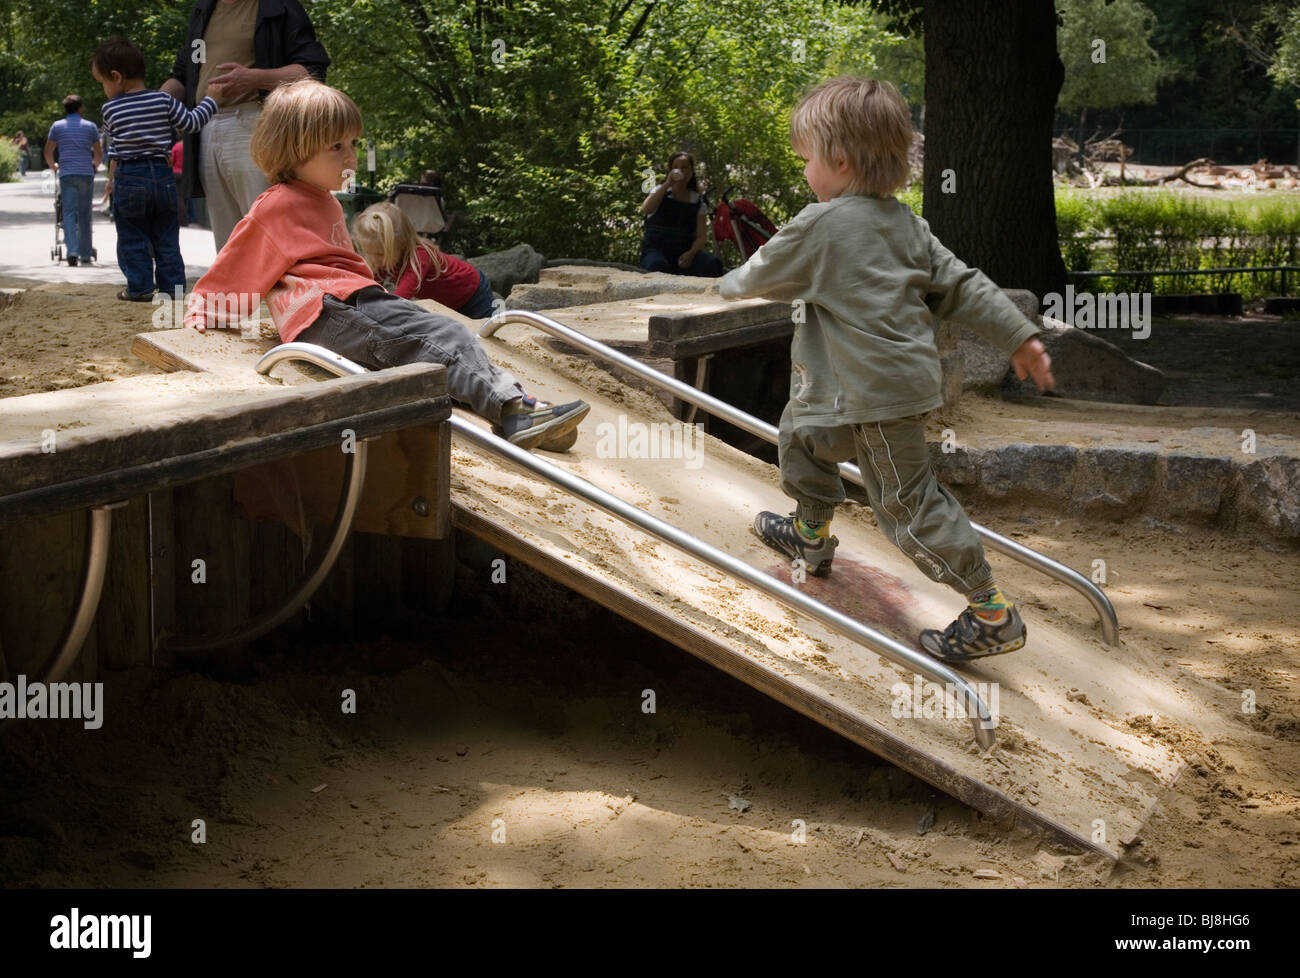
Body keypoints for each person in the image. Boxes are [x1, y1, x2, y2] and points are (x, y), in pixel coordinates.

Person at [719, 77, 1056, 664]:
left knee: (905, 503)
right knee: (801, 435)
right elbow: (965, 286)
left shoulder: (821, 224)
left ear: (839, 161)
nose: (804, 174)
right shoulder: (908, 227)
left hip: (874, 395)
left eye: (806, 161)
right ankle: (810, 536)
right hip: (850, 389)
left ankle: (990, 611)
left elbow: (758, 274)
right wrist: (1018, 335)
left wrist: (723, 284)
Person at [183, 79, 589, 452]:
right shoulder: (277, 204)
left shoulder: (321, 199)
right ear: (293, 149)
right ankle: (513, 408)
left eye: (353, 143)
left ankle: (509, 405)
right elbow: (237, 264)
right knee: (443, 334)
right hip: (329, 309)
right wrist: (205, 308)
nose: (351, 157)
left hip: (350, 303)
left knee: (423, 337)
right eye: (336, 147)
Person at [161, 0, 330, 251]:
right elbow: (186, 72)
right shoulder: (203, 10)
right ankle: (237, 291)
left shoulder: (278, 6)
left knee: (267, 228)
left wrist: (253, 78)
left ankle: (278, 290)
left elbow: (311, 70)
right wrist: (150, 103)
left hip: (256, 125)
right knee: (227, 238)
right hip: (205, 128)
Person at [92, 37, 218, 301]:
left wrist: (112, 180)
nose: (103, 88)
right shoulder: (163, 100)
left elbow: (116, 151)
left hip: (129, 177)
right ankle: (174, 290)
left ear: (116, 77)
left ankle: (139, 288)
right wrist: (212, 99)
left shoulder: (110, 109)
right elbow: (192, 123)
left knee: (132, 235)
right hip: (162, 175)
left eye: (102, 82)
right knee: (166, 235)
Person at [351, 202, 495, 319]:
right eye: (369, 254)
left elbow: (400, 299)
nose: (374, 260)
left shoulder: (419, 257)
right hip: (449, 302)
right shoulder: (387, 256)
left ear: (400, 243)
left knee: (488, 332)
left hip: (473, 293)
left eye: (379, 254)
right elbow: (372, 287)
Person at [639, 151, 724, 277]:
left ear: (691, 172)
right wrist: (667, 184)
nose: (680, 171)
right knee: (658, 266)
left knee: (712, 264)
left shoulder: (697, 201)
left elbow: (701, 236)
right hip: (656, 250)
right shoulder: (660, 191)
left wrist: (691, 253)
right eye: (676, 167)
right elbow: (646, 209)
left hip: (684, 253)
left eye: (684, 167)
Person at [43, 95, 102, 267]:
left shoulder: (57, 126)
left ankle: (72, 252)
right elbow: (98, 153)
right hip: (85, 173)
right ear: (80, 108)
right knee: (85, 213)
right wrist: (95, 166)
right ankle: (85, 254)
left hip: (67, 173)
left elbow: (48, 152)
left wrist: (53, 167)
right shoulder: (90, 127)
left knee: (68, 213)